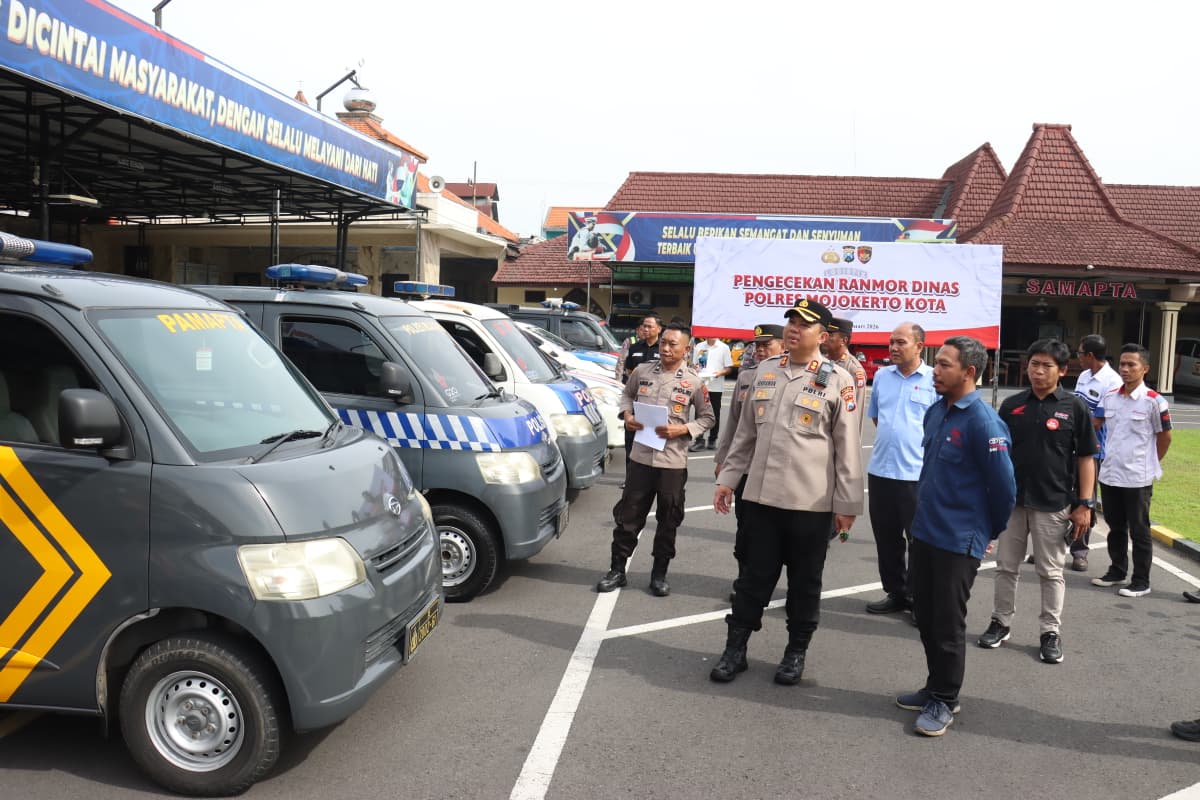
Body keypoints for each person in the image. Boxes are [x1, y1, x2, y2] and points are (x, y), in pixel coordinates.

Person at [708, 298, 863, 686]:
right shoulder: (764, 371)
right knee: (751, 580)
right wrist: (728, 479)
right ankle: (735, 649)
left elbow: (847, 448)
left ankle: (795, 652)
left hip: (810, 505)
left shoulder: (838, 380)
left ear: (823, 337)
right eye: (791, 321)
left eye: (804, 324)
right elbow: (745, 434)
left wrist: (847, 505)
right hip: (761, 500)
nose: (794, 328)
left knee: (805, 584)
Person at [896, 336, 1015, 737]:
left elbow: (1004, 490)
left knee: (947, 623)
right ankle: (936, 687)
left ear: (969, 372)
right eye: (937, 362)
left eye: (945, 364)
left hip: (958, 539)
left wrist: (986, 532)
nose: (936, 370)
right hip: (925, 531)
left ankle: (945, 700)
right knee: (926, 616)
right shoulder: (936, 411)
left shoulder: (984, 422)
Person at [976, 339, 1098, 665]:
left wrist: (1085, 504)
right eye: (1034, 364)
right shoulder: (1012, 405)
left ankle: (1050, 632)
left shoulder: (1075, 407)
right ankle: (1000, 622)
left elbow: (1086, 457)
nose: (1038, 371)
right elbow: (998, 453)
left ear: (1062, 370)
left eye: (1047, 366)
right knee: (1005, 567)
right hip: (1012, 502)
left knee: (1051, 572)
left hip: (1054, 502)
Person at [597, 322, 714, 596]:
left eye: (673, 344)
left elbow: (708, 418)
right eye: (663, 342)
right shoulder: (642, 371)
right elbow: (627, 395)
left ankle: (659, 574)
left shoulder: (694, 382)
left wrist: (682, 429)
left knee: (668, 520)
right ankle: (617, 570)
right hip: (640, 458)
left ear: (686, 349)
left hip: (672, 463)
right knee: (628, 517)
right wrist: (627, 416)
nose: (666, 348)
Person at [863, 322, 935, 617]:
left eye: (901, 342)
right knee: (887, 537)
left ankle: (920, 599)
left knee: (919, 541)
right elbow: (877, 418)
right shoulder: (882, 376)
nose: (893, 347)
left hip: (916, 474)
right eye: (891, 342)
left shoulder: (934, 379)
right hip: (881, 470)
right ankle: (896, 592)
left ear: (919, 346)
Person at [1090, 343, 1172, 598]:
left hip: (1137, 477)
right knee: (1115, 527)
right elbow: (1097, 425)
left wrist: (1150, 463)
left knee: (1139, 530)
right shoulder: (1110, 397)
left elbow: (1165, 437)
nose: (1125, 369)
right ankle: (1117, 571)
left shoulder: (1154, 402)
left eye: (1131, 365)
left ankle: (1141, 580)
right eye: (1122, 364)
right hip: (1110, 473)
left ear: (1145, 368)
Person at [713, 323, 785, 601]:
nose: (760, 350)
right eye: (757, 346)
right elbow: (733, 423)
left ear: (783, 345)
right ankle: (745, 580)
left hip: (777, 469)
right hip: (745, 468)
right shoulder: (746, 377)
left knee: (777, 532)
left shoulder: (794, 377)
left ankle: (771, 583)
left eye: (767, 345)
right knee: (745, 529)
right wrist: (722, 460)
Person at [1071, 334, 1122, 571]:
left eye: (1080, 354)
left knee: (1086, 498)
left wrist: (1070, 429)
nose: (1078, 358)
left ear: (1090, 355)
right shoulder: (1083, 376)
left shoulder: (1112, 381)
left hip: (1094, 449)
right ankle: (1052, 545)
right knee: (1062, 493)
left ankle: (1080, 551)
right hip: (1071, 443)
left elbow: (1098, 421)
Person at [618, 315, 663, 475]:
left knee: (653, 441)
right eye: (644, 326)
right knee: (631, 441)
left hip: (655, 402)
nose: (646, 329)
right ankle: (630, 478)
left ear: (659, 329)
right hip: (636, 400)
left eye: (650, 326)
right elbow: (630, 371)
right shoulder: (635, 348)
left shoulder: (663, 349)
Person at [823, 317, 867, 435]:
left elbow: (855, 413)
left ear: (843, 340)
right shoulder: (823, 361)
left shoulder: (854, 370)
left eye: (830, 335)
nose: (825, 337)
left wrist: (851, 443)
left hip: (838, 434)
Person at [689, 336, 734, 451]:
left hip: (716, 386)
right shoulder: (700, 346)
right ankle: (699, 440)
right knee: (699, 413)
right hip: (701, 385)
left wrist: (720, 373)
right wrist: (695, 368)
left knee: (715, 413)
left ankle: (712, 439)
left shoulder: (723, 347)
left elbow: (729, 368)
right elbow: (695, 365)